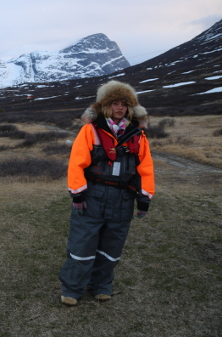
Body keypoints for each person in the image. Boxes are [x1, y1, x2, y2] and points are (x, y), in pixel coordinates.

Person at [59, 80, 155, 306]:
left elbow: (145, 168)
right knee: (82, 245)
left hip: (123, 199)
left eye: (124, 104)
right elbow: (76, 164)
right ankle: (72, 289)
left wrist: (144, 198)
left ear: (130, 108)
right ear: (105, 106)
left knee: (112, 247)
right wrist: (78, 194)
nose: (119, 108)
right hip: (92, 196)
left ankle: (101, 286)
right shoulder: (89, 131)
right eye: (114, 103)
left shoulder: (138, 135)